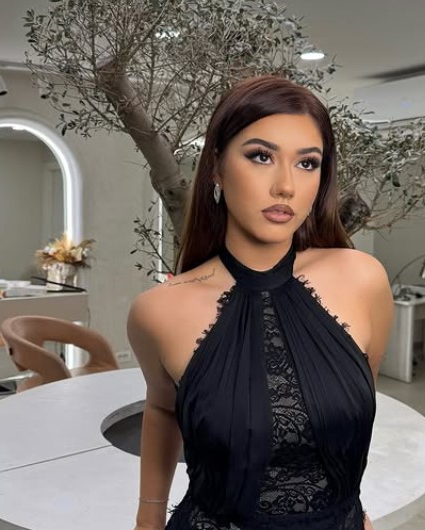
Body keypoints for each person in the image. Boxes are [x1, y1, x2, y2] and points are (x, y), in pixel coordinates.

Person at [128, 75, 394, 530]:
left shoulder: (363, 279)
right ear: (216, 166)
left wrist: (353, 507)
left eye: (307, 163)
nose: (286, 186)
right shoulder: (158, 311)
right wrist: (148, 517)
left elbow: (353, 410)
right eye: (261, 156)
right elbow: (162, 408)